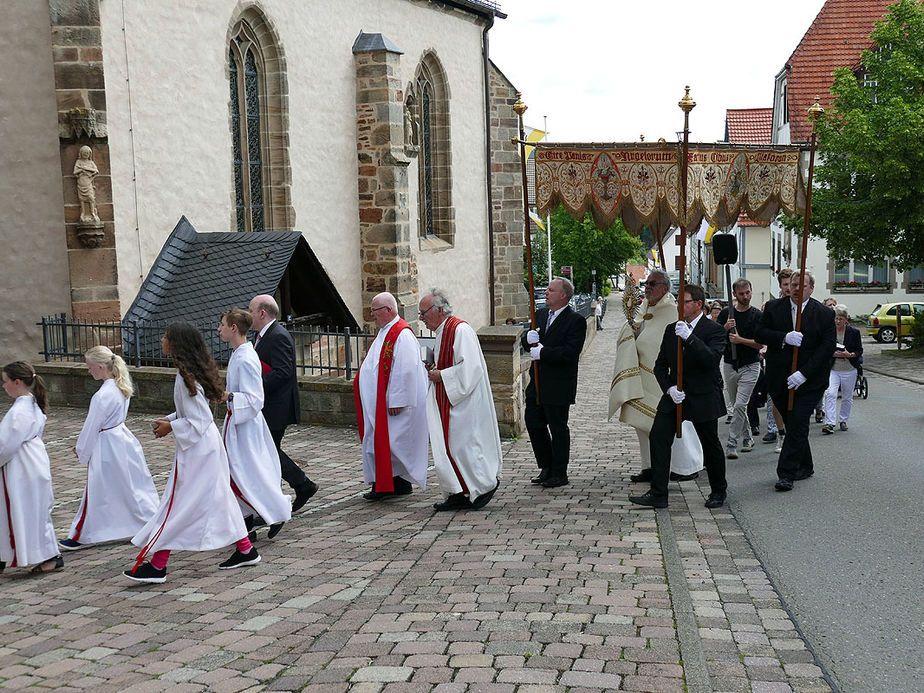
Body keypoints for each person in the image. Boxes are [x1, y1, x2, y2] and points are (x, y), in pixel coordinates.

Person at [124, 322, 260, 583]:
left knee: (179, 504)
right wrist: (172, 418)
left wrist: (171, 427)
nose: (161, 339)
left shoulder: (187, 379)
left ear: (176, 344)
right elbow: (195, 413)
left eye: (165, 336)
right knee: (217, 499)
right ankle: (246, 549)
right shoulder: (188, 375)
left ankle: (158, 565)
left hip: (200, 451)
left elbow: (199, 420)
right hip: (203, 448)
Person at [628, 284, 728, 509]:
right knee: (659, 436)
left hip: (702, 394)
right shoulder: (671, 329)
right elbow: (660, 365)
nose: (680, 306)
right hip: (676, 395)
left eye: (685, 302)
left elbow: (711, 360)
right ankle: (658, 492)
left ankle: (718, 490)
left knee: (710, 444)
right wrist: (669, 388)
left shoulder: (715, 331)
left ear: (698, 305)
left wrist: (691, 338)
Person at [59, 346, 158, 551]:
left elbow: (92, 426)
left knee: (98, 488)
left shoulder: (102, 395)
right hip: (122, 440)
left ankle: (82, 534)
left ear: (101, 367)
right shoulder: (121, 387)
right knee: (129, 485)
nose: (88, 371)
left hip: (106, 444)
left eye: (90, 367)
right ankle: (148, 520)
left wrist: (82, 449)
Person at [610, 270, 703, 485]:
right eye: (647, 283)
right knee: (642, 425)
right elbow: (640, 334)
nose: (648, 287)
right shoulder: (644, 308)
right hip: (642, 376)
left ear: (665, 288)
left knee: (675, 424)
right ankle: (649, 466)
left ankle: (685, 467)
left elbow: (665, 344)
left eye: (653, 283)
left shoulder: (672, 311)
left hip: (665, 380)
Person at [418, 288, 503, 511]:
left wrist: (442, 375)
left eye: (423, 313)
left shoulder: (460, 330)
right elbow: (449, 363)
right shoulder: (442, 332)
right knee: (448, 447)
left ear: (438, 309)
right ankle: (457, 492)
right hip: (448, 398)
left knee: (464, 447)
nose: (421, 319)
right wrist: (434, 367)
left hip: (464, 402)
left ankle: (483, 486)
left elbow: (470, 368)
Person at [756, 271, 835, 492]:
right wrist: (783, 337)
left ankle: (786, 474)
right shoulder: (774, 308)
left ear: (811, 288)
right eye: (793, 284)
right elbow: (759, 333)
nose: (797, 289)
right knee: (793, 423)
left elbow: (826, 348)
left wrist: (804, 374)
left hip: (810, 381)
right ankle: (806, 465)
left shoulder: (824, 314)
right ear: (787, 286)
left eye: (802, 285)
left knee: (799, 420)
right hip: (779, 377)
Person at [218, 309, 291, 540]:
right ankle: (247, 526)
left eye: (222, 325)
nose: (219, 329)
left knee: (246, 473)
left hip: (246, 426)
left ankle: (273, 512)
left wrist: (229, 397)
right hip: (238, 423)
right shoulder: (238, 354)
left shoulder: (246, 357)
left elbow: (255, 398)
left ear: (233, 328)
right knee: (241, 474)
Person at [354, 292, 428, 500]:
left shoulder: (401, 333)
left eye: (374, 310)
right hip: (378, 403)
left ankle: (391, 484)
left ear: (388, 310)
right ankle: (392, 483)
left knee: (393, 444)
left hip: (392, 405)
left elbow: (406, 369)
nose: (371, 315)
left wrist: (397, 399)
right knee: (379, 443)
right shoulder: (385, 331)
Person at [249, 295, 318, 512]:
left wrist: (255, 385)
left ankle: (300, 486)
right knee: (268, 452)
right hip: (266, 406)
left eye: (251, 310)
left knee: (268, 452)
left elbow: (283, 372)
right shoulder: (261, 335)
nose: (248, 314)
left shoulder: (278, 335)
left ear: (262, 313)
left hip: (276, 407)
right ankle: (294, 489)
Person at [522, 277, 587, 488]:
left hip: (558, 384)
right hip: (537, 382)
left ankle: (560, 472)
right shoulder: (540, 315)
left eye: (551, 289)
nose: (546, 292)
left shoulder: (575, 320)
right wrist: (527, 338)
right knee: (533, 422)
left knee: (558, 428)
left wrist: (544, 352)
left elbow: (570, 352)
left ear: (563, 295)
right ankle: (546, 466)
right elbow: (528, 344)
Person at [0, 362, 62, 574]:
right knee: (31, 509)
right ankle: (6, 552)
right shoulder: (31, 403)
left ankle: (49, 555)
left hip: (22, 466)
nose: (3, 386)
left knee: (26, 510)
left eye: (5, 381)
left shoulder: (19, 411)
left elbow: (5, 445)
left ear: (17, 382)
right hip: (32, 461)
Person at [717, 279, 763, 459]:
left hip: (751, 365)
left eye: (748, 293)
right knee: (738, 407)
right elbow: (716, 338)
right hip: (730, 364)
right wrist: (724, 329)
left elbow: (760, 344)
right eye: (741, 293)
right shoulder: (726, 314)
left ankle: (731, 443)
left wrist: (740, 340)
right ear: (734, 294)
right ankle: (748, 437)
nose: (745, 296)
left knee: (740, 405)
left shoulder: (757, 315)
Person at [762, 268, 794, 451]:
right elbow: (763, 333)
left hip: (797, 362)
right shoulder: (772, 307)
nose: (789, 288)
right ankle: (780, 433)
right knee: (776, 400)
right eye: (786, 285)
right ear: (781, 286)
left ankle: (792, 433)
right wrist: (782, 338)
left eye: (792, 284)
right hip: (777, 359)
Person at [822, 304, 862, 434]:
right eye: (836, 318)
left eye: (840, 319)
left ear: (846, 320)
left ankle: (843, 420)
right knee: (830, 393)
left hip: (849, 368)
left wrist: (849, 354)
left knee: (847, 396)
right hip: (833, 368)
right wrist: (831, 353)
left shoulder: (854, 332)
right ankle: (829, 423)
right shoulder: (829, 332)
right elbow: (823, 348)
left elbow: (859, 350)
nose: (838, 321)